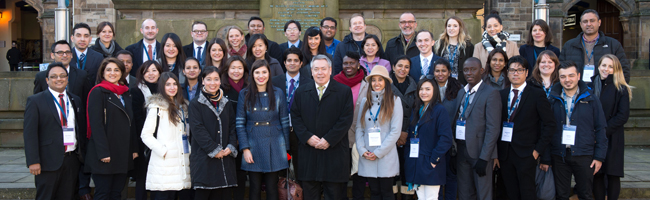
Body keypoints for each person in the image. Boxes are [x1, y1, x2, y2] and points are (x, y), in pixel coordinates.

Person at [291, 54, 354, 199]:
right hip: (309, 154)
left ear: (330, 70)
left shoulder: (344, 91)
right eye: (316, 69)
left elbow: (345, 120)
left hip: (334, 153)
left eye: (323, 69)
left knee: (335, 194)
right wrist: (307, 137)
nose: (320, 73)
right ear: (311, 71)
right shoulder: (301, 92)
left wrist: (329, 139)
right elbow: (295, 117)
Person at [542, 61, 607, 200]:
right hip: (559, 155)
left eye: (571, 75)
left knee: (586, 194)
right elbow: (545, 130)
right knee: (561, 195)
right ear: (559, 78)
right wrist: (546, 157)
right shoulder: (552, 100)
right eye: (563, 76)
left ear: (578, 76)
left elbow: (601, 128)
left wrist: (599, 157)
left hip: (584, 154)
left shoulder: (591, 99)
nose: (567, 80)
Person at [497, 56, 555, 200]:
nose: (515, 73)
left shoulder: (537, 94)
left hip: (527, 154)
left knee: (527, 193)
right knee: (510, 193)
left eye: (519, 70)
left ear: (526, 72)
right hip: (505, 154)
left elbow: (549, 124)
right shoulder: (501, 95)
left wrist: (537, 151)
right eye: (512, 70)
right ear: (507, 73)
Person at [24, 62, 85, 200]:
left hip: (71, 160)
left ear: (67, 79)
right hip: (47, 161)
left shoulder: (75, 99)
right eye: (54, 76)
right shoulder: (35, 101)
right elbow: (30, 133)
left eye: (63, 76)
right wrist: (33, 161)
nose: (59, 79)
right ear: (47, 80)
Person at [237, 60, 291, 200]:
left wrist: (286, 149)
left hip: (274, 144)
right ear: (252, 74)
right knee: (254, 187)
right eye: (257, 72)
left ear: (269, 73)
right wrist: (245, 148)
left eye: (264, 72)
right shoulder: (245, 94)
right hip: (252, 145)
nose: (261, 76)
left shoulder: (278, 93)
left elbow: (284, 121)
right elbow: (240, 123)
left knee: (272, 188)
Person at [86, 58, 138, 200]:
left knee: (117, 193)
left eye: (116, 70)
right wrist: (103, 152)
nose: (112, 73)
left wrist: (134, 149)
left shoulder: (125, 93)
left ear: (122, 73)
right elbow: (96, 125)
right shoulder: (98, 92)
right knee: (103, 193)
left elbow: (131, 122)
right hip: (105, 153)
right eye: (108, 70)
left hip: (122, 152)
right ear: (102, 73)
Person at [189, 66, 239, 199]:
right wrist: (214, 150)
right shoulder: (195, 104)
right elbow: (197, 130)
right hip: (204, 162)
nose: (213, 83)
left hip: (225, 161)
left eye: (216, 79)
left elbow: (233, 127)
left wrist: (231, 146)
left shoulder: (226, 103)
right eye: (209, 79)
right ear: (203, 81)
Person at [141, 72, 193, 200]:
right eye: (168, 84)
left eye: (175, 84)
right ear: (162, 87)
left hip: (182, 161)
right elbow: (145, 134)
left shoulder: (183, 107)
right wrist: (163, 150)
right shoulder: (156, 107)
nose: (172, 87)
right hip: (164, 164)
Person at [455, 57, 501, 200]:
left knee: (483, 193)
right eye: (466, 70)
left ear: (481, 71)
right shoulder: (461, 92)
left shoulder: (490, 93)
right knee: (464, 193)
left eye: (473, 69)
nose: (469, 73)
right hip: (462, 150)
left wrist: (485, 158)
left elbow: (493, 128)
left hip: (480, 152)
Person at [355, 66, 403, 200]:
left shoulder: (394, 101)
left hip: (385, 156)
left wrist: (378, 152)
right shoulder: (365, 101)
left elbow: (395, 131)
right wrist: (362, 150)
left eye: (380, 80)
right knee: (374, 192)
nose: (376, 83)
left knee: (387, 193)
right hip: (368, 155)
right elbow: (359, 128)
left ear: (386, 82)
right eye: (374, 80)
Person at [589, 55, 632, 200]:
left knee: (612, 174)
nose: (606, 69)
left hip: (613, 137)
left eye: (610, 66)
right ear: (599, 66)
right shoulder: (590, 86)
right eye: (603, 65)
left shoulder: (621, 88)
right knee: (597, 173)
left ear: (616, 69)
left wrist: (603, 132)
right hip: (593, 137)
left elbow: (622, 116)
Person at [403, 77, 453, 200]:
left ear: (434, 91)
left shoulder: (440, 110)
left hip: (430, 164)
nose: (423, 92)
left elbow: (446, 139)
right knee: (421, 197)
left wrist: (433, 160)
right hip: (416, 162)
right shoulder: (417, 110)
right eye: (421, 89)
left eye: (427, 89)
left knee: (431, 197)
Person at [271, 47, 314, 177]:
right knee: (282, 169)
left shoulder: (310, 83)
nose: (292, 63)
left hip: (300, 132)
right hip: (280, 131)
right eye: (289, 60)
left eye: (296, 60)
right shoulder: (274, 82)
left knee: (301, 168)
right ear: (284, 62)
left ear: (301, 63)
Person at [559, 9, 630, 83]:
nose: (589, 24)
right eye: (585, 21)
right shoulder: (569, 45)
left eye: (592, 21)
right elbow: (560, 70)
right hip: (577, 91)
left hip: (603, 91)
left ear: (599, 22)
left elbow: (624, 70)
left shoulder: (613, 44)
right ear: (581, 24)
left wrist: (615, 91)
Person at [334, 51, 369, 200]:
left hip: (360, 136)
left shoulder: (366, 85)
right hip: (339, 137)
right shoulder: (334, 82)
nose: (348, 66)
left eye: (352, 63)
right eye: (345, 63)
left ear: (358, 64)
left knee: (359, 174)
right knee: (341, 174)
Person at [431, 59, 465, 200]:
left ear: (449, 72)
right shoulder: (428, 87)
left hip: (451, 141)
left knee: (451, 176)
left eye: (444, 70)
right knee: (436, 175)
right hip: (433, 139)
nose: (440, 74)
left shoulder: (458, 89)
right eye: (437, 71)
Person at [130, 60, 163, 200]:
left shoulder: (165, 89)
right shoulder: (136, 91)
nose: (151, 74)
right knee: (142, 178)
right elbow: (136, 119)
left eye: (154, 70)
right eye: (147, 71)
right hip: (143, 141)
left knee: (159, 178)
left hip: (162, 140)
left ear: (160, 73)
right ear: (141, 74)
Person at [218, 56, 249, 200]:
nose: (236, 71)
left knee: (241, 174)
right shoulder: (220, 88)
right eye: (233, 68)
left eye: (240, 68)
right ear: (227, 69)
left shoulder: (250, 87)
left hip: (246, 137)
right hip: (226, 138)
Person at [388, 56, 417, 200]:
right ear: (393, 67)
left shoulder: (415, 86)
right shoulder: (385, 84)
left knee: (407, 170)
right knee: (392, 171)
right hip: (390, 135)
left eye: (406, 67)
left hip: (409, 135)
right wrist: (397, 134)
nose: (402, 69)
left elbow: (417, 111)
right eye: (399, 66)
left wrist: (405, 132)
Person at [434, 16, 474, 85]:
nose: (451, 28)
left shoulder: (468, 46)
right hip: (443, 83)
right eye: (449, 26)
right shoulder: (439, 45)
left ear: (460, 28)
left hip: (461, 83)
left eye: (455, 26)